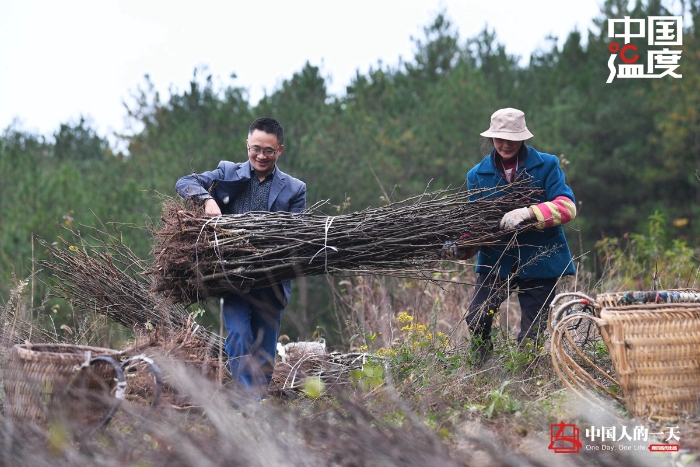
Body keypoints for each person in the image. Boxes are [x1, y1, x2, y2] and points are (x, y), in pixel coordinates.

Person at [175, 117, 307, 398]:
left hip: (272, 283)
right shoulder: (227, 172)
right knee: (237, 336)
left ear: (280, 150)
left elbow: (295, 236)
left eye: (269, 151)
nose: (261, 155)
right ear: (247, 144)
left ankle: (253, 404)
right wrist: (206, 199)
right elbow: (184, 182)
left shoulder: (295, 189)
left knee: (265, 354)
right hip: (233, 280)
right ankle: (249, 405)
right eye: (255, 148)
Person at [447, 108, 576, 364]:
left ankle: (524, 378)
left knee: (532, 332)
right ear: (491, 139)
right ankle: (482, 366)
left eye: (511, 139)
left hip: (541, 258)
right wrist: (459, 247)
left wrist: (529, 212)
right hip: (497, 260)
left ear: (523, 138)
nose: (505, 145)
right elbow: (477, 225)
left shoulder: (546, 165)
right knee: (477, 317)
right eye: (499, 139)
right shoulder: (477, 175)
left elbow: (567, 207)